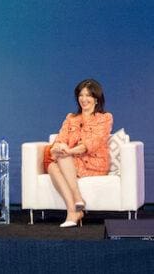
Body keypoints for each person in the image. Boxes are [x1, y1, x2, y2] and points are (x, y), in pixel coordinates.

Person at [44, 78, 112, 227]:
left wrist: (68, 151)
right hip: (71, 161)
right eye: (81, 95)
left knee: (59, 160)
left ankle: (75, 204)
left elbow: (91, 144)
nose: (84, 99)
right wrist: (57, 147)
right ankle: (74, 208)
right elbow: (60, 138)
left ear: (96, 99)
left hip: (93, 163)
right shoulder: (71, 118)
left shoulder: (105, 118)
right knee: (52, 163)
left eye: (88, 95)